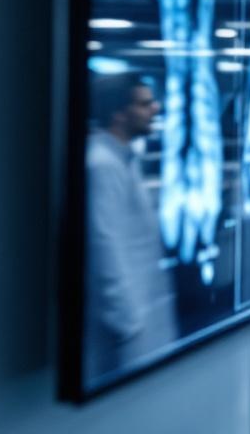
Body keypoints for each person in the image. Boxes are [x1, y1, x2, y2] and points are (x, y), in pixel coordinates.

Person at [86, 72, 178, 386]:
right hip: (127, 336)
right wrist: (130, 324)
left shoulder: (124, 159)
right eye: (144, 104)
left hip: (143, 326)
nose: (155, 108)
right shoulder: (102, 165)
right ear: (118, 114)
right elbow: (104, 246)